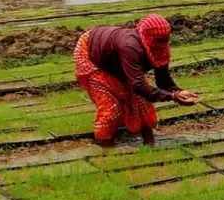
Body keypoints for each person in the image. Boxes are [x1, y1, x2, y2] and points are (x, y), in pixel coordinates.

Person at [74, 14, 199, 147]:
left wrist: (179, 92)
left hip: (117, 62)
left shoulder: (161, 48)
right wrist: (172, 97)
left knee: (141, 104)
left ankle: (149, 143)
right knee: (110, 109)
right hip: (92, 54)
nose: (162, 43)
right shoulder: (130, 47)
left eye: (165, 39)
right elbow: (138, 85)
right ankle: (104, 145)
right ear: (146, 36)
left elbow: (163, 81)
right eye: (158, 40)